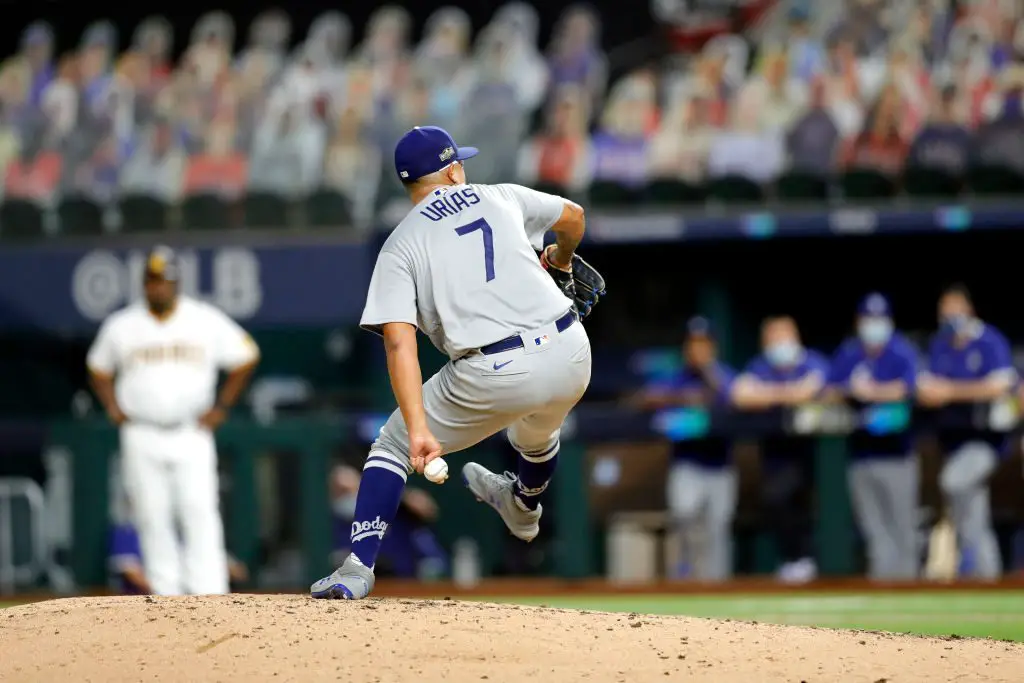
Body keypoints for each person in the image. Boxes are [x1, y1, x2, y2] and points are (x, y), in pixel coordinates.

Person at [311, 125, 594, 599]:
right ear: (453, 169)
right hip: (572, 352)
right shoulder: (500, 195)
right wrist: (561, 260)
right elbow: (574, 216)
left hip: (496, 370)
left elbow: (399, 343)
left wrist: (419, 428)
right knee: (536, 430)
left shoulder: (400, 244)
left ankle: (358, 568)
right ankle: (523, 505)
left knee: (392, 445)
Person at [86, 246, 260, 595]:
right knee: (152, 515)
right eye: (151, 281)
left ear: (176, 282)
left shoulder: (203, 318)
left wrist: (223, 406)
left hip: (191, 430)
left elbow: (247, 355)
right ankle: (166, 595)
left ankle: (210, 592)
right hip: (141, 430)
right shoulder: (123, 324)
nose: (157, 288)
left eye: (163, 280)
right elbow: (98, 367)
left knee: (199, 511)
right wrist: (111, 405)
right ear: (144, 284)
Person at [918, 284, 1016, 579]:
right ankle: (986, 574)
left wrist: (952, 391)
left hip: (988, 439)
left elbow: (1002, 385)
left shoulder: (989, 340)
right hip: (952, 441)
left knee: (954, 483)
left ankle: (970, 561)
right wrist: (934, 392)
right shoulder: (940, 343)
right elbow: (926, 387)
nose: (950, 317)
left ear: (969, 310)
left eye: (955, 310)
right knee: (974, 511)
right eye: (944, 312)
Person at [636, 316, 737, 581]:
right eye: (693, 344)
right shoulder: (676, 377)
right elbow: (646, 398)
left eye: (703, 344)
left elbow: (733, 396)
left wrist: (709, 375)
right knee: (683, 516)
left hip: (721, 465)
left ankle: (718, 584)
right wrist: (686, 399)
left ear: (713, 347)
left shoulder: (723, 374)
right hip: (687, 463)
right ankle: (685, 578)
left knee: (718, 528)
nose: (697, 350)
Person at [828, 293, 920, 580]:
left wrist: (872, 392)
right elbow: (827, 390)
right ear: (859, 321)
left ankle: (909, 590)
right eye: (869, 319)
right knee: (874, 531)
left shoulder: (902, 351)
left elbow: (913, 387)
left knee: (903, 528)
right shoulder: (849, 353)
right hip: (861, 454)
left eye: (879, 319)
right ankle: (884, 590)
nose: (874, 325)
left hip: (897, 455)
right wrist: (850, 391)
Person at [730, 316, 829, 583]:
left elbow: (814, 387)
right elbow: (741, 394)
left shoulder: (811, 360)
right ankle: (794, 559)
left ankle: (807, 558)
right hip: (775, 454)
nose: (780, 344)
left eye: (784, 337)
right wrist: (788, 393)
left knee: (806, 502)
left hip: (814, 454)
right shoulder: (760, 365)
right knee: (776, 499)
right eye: (774, 339)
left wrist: (770, 395)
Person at [330, 464, 447, 579]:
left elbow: (427, 510)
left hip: (403, 585)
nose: (348, 496)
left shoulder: (394, 511)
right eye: (339, 491)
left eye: (351, 490)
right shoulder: (329, 523)